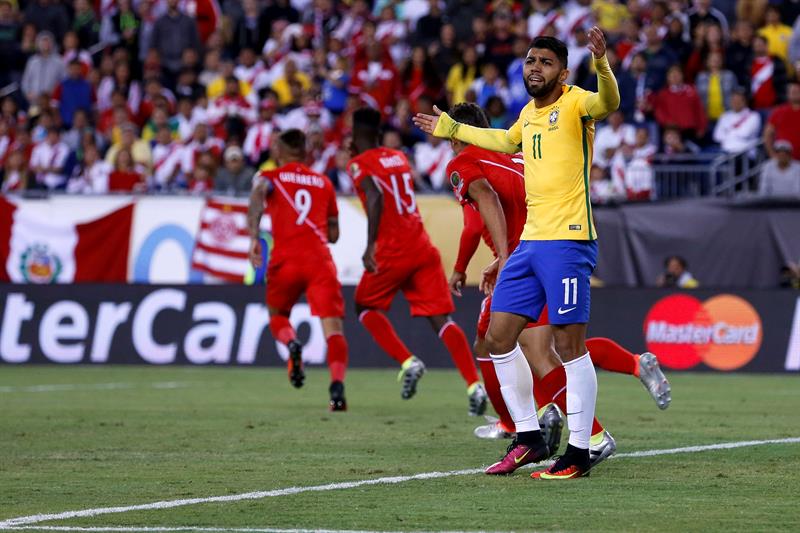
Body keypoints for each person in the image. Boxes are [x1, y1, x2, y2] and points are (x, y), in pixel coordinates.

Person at [414, 29, 619, 480]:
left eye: (545, 62)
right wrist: (451, 127)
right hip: (529, 243)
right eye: (530, 60)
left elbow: (609, 103)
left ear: (562, 72)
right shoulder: (527, 114)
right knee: (496, 338)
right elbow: (505, 142)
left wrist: (602, 63)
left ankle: (581, 451)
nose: (535, 68)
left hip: (568, 241)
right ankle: (528, 437)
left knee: (568, 345)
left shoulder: (578, 102)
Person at [444, 104, 670, 464]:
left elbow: (483, 206)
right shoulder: (517, 159)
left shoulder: (465, 164)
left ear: (458, 137)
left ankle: (569, 430)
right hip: (549, 248)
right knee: (544, 343)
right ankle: (623, 371)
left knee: (529, 348)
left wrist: (502, 258)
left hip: (528, 264)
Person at [347, 107, 487, 415]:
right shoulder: (397, 157)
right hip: (422, 246)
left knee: (364, 306)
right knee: (441, 320)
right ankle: (473, 384)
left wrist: (370, 245)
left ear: (355, 131)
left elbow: (376, 197)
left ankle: (408, 361)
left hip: (392, 249)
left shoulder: (358, 164)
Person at [247, 129, 349, 411]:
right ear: (305, 152)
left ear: (279, 152)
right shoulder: (323, 182)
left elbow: (257, 198)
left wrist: (255, 237)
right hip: (319, 261)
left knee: (277, 315)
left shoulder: (269, 177)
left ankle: (292, 343)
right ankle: (337, 390)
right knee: (334, 329)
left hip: (285, 260)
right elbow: (334, 234)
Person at [764, 81, 800, 161]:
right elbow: (768, 133)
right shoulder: (779, 111)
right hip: (783, 162)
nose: (795, 93)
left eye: (797, 91)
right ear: (788, 94)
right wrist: (772, 154)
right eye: (792, 91)